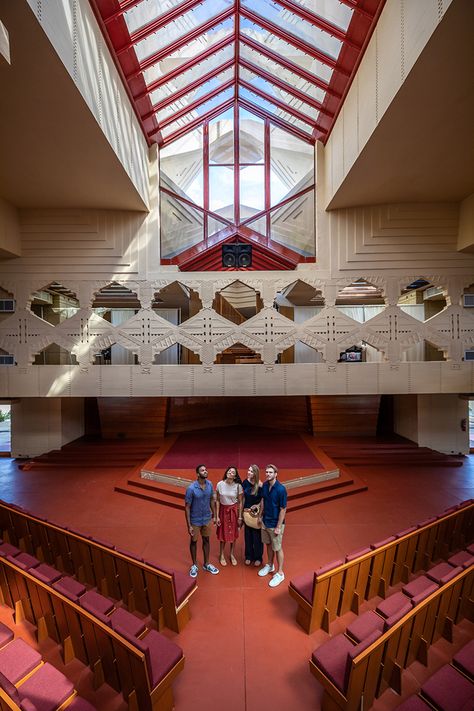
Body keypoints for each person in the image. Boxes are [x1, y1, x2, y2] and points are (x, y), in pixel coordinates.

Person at [184, 463, 220, 578]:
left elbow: (211, 500)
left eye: (206, 469)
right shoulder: (191, 489)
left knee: (206, 540)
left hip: (207, 518)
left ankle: (206, 563)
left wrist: (214, 515)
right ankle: (194, 565)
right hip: (195, 520)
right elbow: (187, 507)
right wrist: (189, 525)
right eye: (202, 470)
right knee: (194, 541)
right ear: (197, 474)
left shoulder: (210, 484)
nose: (205, 471)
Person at [258, 463, 287, 588]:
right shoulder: (264, 485)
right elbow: (263, 500)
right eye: (267, 472)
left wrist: (278, 527)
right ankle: (270, 565)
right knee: (268, 544)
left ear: (276, 474)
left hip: (275, 523)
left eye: (270, 472)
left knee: (278, 548)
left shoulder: (281, 489)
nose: (268, 474)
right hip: (265, 521)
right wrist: (260, 515)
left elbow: (283, 509)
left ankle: (280, 573)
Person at [215, 465, 244, 566]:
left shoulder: (238, 486)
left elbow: (240, 502)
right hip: (223, 511)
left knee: (233, 534)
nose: (229, 472)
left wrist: (240, 516)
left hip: (233, 511)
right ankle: (221, 554)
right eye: (229, 471)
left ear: (235, 476)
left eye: (232, 472)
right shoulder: (220, 484)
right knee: (223, 533)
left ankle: (232, 554)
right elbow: (217, 500)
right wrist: (217, 516)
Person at [242, 464, 263, 566]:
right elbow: (243, 498)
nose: (248, 472)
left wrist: (257, 507)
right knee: (248, 535)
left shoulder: (260, 485)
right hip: (246, 512)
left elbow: (263, 500)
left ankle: (258, 557)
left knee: (257, 536)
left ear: (255, 473)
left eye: (251, 471)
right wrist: (242, 511)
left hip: (256, 513)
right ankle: (248, 556)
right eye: (248, 470)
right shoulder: (245, 482)